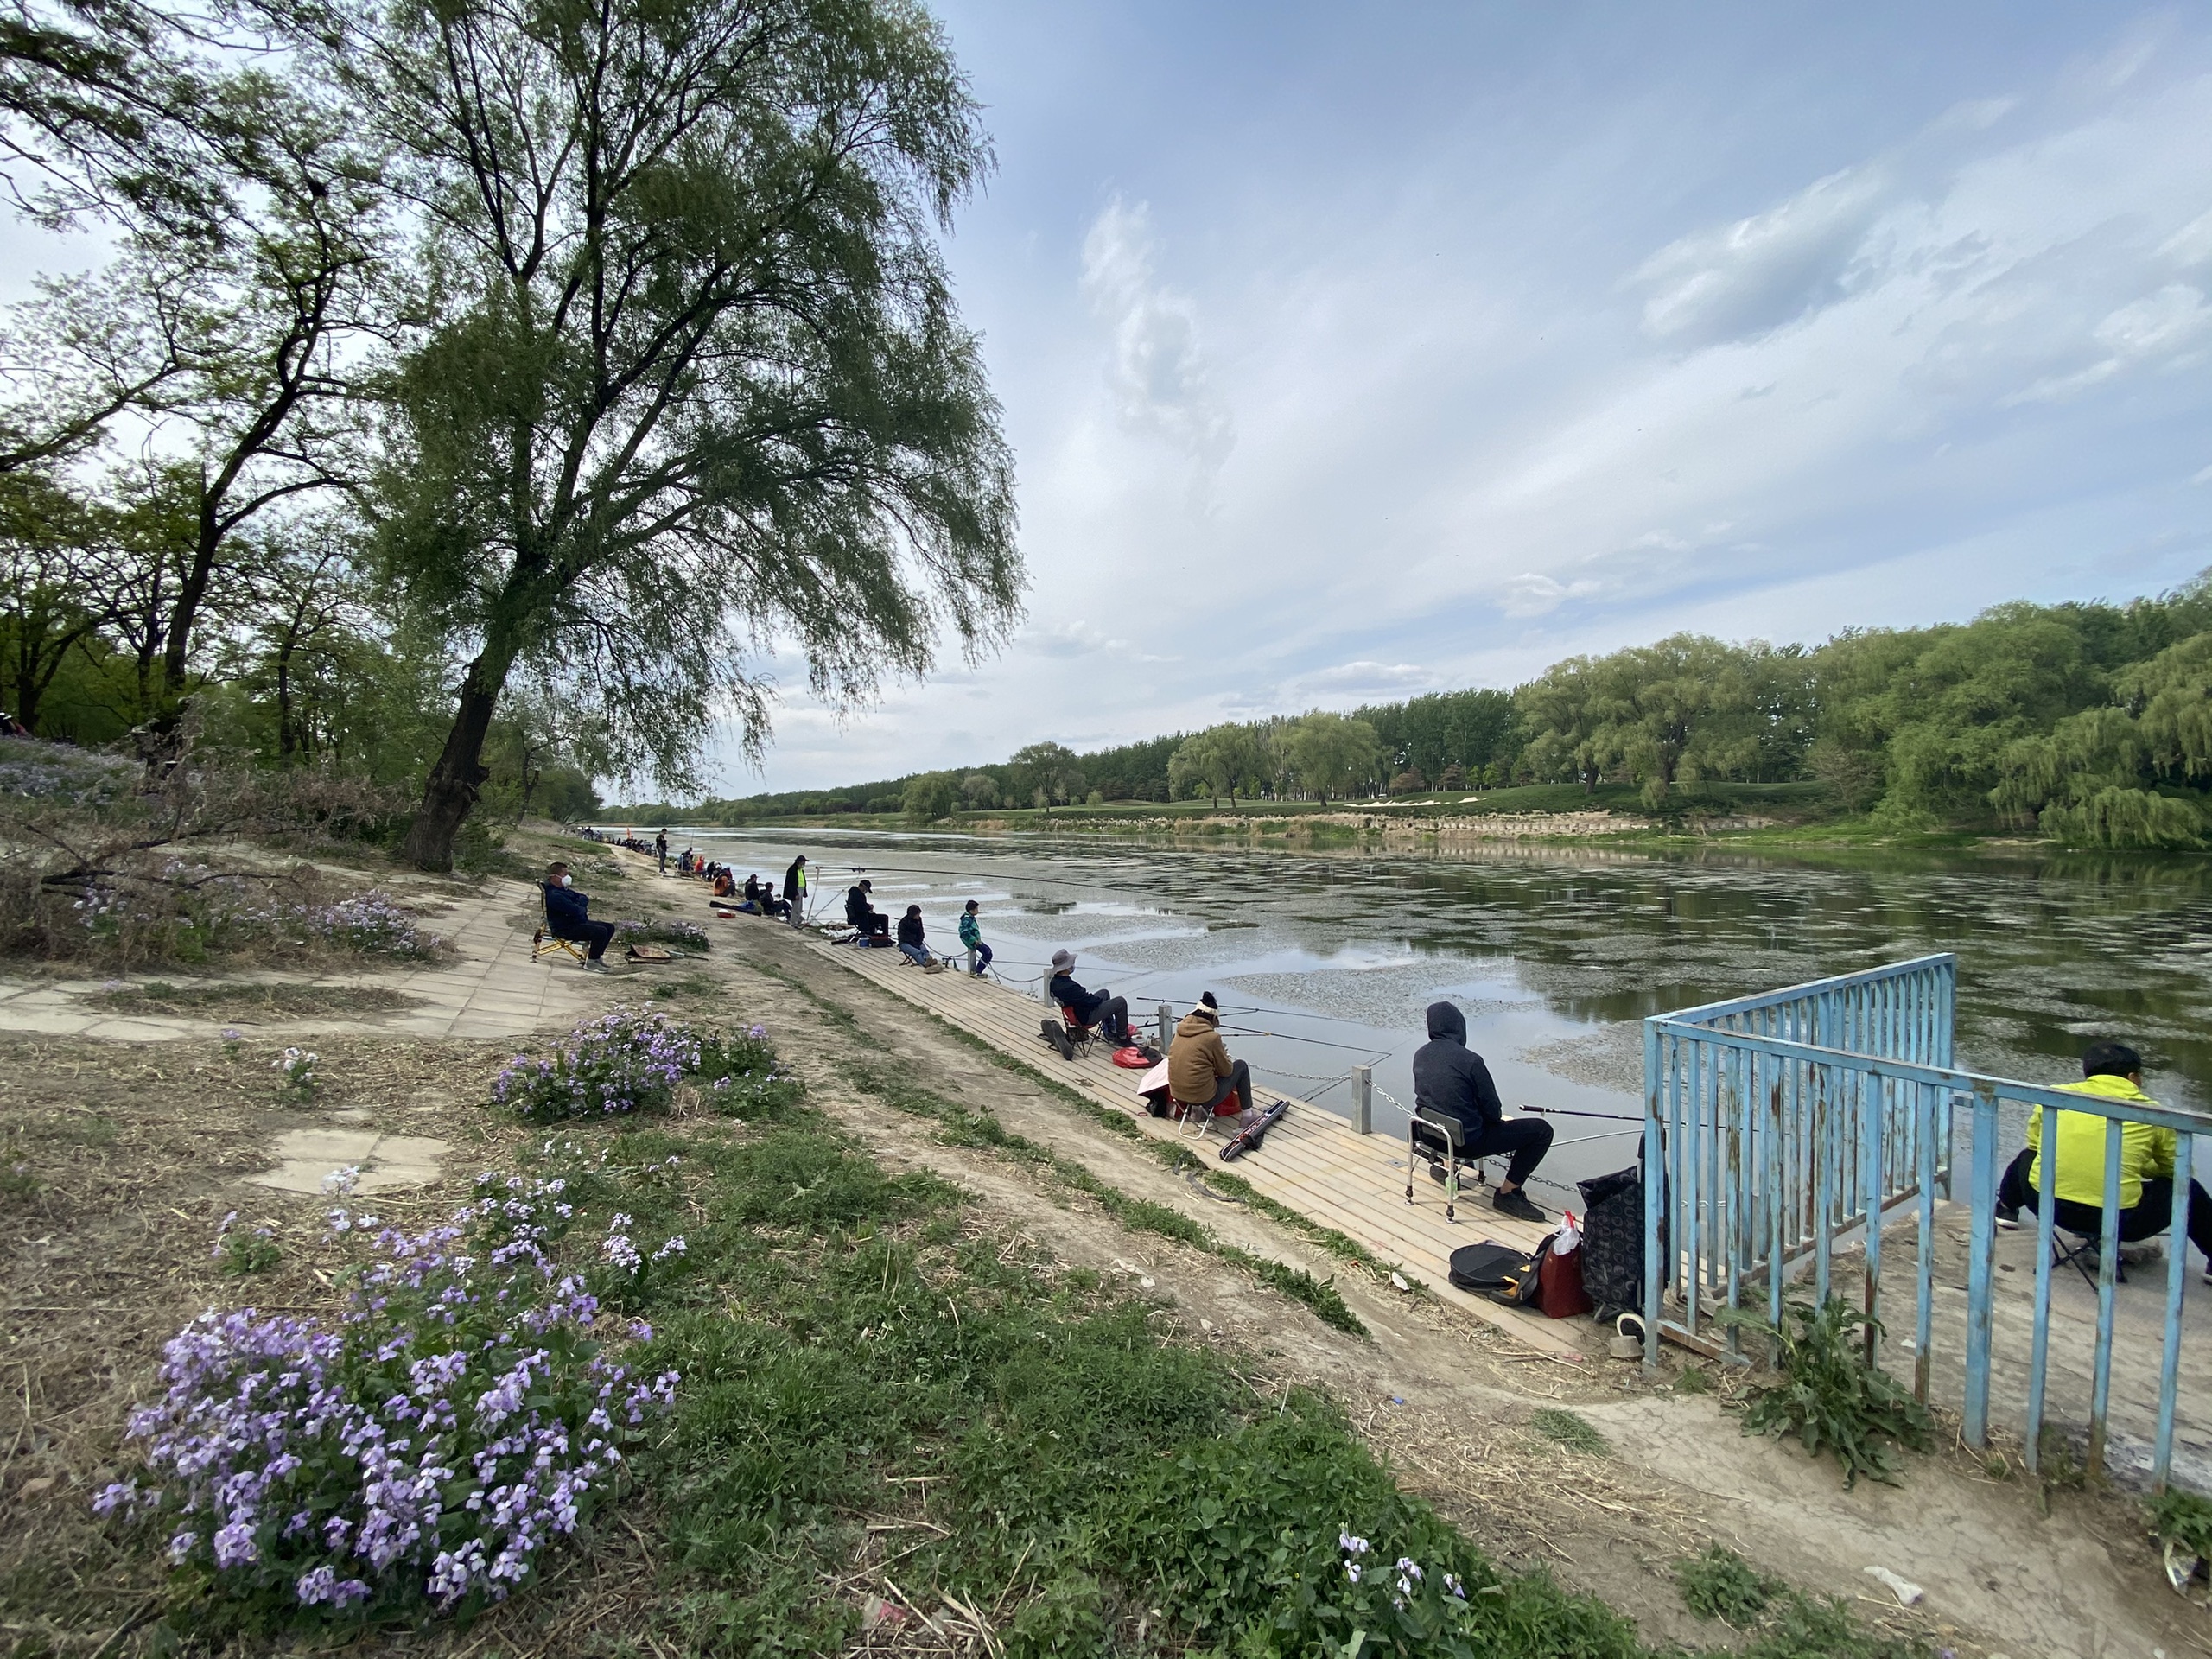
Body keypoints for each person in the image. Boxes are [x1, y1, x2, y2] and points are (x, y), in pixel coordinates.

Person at [1997, 1040, 2212, 1281]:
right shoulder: (2154, 1113)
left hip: (2048, 1208)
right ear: (2132, 1077)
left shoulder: (2054, 1096)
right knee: (2188, 1189)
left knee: (2030, 1155)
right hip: (2120, 1222)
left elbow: (2037, 1145)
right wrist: (2138, 1166)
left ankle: (2006, 1207)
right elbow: (2177, 1170)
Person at [1411, 1001, 1550, 1222]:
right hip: (1467, 1144)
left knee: (1448, 1114)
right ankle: (1507, 1193)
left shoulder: (1420, 1055)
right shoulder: (1471, 1061)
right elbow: (1493, 1111)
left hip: (1431, 1136)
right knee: (1542, 1130)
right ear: (1459, 1027)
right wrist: (1495, 1121)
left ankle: (1449, 1170)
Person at [1168, 992, 1273, 1142]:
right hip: (1204, 1097)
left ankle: (1196, 1113)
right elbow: (1226, 1071)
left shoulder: (1179, 1031)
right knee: (1241, 1066)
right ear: (1212, 1018)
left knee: (1198, 1072)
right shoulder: (1212, 1038)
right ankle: (1247, 1116)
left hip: (1177, 1094)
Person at [1046, 949, 1131, 1046]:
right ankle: (1122, 1038)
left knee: (1104, 992)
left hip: (1075, 1013)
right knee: (1120, 1002)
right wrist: (1100, 1002)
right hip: (1085, 1017)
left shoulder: (1054, 982)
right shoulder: (1070, 987)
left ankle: (1111, 1030)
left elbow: (1082, 997)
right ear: (1065, 967)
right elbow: (1090, 1001)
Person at [542, 861, 614, 973]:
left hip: (575, 922)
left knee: (609, 927)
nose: (567, 877)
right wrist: (581, 907)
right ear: (555, 877)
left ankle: (597, 958)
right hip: (565, 928)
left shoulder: (562, 890)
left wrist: (580, 905)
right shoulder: (554, 895)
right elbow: (575, 910)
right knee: (600, 931)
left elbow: (582, 897)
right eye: (564, 874)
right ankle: (591, 963)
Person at [896, 904, 945, 971]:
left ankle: (928, 959)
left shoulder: (919, 920)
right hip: (905, 943)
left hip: (917, 941)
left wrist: (920, 939)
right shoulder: (904, 923)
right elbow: (905, 937)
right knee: (916, 952)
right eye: (917, 914)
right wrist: (914, 943)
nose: (918, 916)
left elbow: (921, 932)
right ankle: (924, 963)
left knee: (924, 949)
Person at [958, 899, 992, 977]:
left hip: (976, 940)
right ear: (971, 910)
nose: (978, 911)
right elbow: (964, 933)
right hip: (972, 942)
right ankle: (977, 972)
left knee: (988, 951)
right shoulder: (967, 920)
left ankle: (976, 971)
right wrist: (973, 940)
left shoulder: (970, 917)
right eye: (976, 909)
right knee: (988, 953)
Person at [783, 855, 808, 927]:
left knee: (800, 908)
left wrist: (805, 892)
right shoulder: (792, 870)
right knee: (796, 908)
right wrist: (795, 893)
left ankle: (797, 921)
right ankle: (793, 923)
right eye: (803, 862)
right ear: (799, 862)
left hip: (801, 889)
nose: (804, 864)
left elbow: (803, 880)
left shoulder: (800, 870)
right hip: (796, 891)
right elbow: (791, 883)